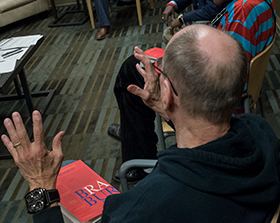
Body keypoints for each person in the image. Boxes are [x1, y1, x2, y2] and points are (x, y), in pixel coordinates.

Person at [2, 25, 280, 222]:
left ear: (168, 91)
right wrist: (171, 110)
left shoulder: (144, 207)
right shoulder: (263, 134)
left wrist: (40, 188)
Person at [110, 0, 276, 183]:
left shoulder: (242, 14)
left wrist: (169, 75)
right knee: (139, 69)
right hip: (218, 91)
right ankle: (133, 131)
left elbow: (227, 84)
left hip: (212, 110)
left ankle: (138, 158)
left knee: (131, 72)